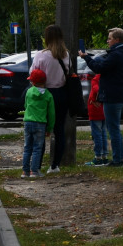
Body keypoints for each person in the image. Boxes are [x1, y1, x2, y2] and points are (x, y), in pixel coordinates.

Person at [80, 28, 123, 167]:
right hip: (119, 95)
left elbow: (99, 68)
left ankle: (117, 160)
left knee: (113, 129)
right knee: (115, 128)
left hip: (112, 96)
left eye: (110, 38)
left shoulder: (116, 55)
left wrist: (86, 58)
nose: (108, 41)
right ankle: (121, 158)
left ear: (117, 40)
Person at [31, 24, 72, 174]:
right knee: (59, 129)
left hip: (44, 94)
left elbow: (33, 74)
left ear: (47, 38)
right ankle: (55, 165)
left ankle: (37, 165)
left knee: (41, 129)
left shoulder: (41, 55)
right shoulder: (66, 55)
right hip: (61, 94)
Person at [22, 69, 55, 178]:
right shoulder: (48, 95)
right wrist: (49, 128)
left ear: (33, 82)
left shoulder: (29, 92)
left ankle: (25, 171)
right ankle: (34, 171)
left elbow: (25, 106)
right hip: (40, 124)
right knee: (37, 148)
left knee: (27, 147)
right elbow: (51, 113)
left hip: (28, 122)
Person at [84, 72, 109, 166]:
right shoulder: (108, 78)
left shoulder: (96, 79)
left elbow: (96, 89)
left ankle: (98, 157)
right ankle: (105, 156)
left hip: (95, 111)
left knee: (97, 135)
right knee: (103, 134)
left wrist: (95, 99)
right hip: (104, 110)